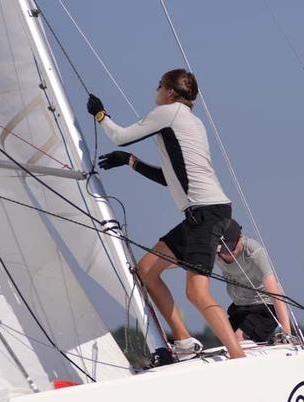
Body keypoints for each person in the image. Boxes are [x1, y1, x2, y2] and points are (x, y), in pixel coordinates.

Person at [89, 69, 245, 361]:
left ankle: (239, 358)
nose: (156, 91)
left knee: (196, 291)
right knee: (147, 271)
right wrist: (131, 163)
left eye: (159, 85)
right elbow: (170, 178)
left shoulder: (169, 112)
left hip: (206, 212)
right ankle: (185, 343)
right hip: (205, 211)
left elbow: (120, 136)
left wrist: (100, 115)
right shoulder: (191, 121)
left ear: (171, 93)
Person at [215, 219, 293, 343]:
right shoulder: (217, 253)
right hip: (240, 307)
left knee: (238, 337)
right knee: (225, 338)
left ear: (240, 238)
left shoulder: (253, 251)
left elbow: (275, 292)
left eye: (229, 247)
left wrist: (287, 334)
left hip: (265, 306)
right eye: (220, 248)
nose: (226, 253)